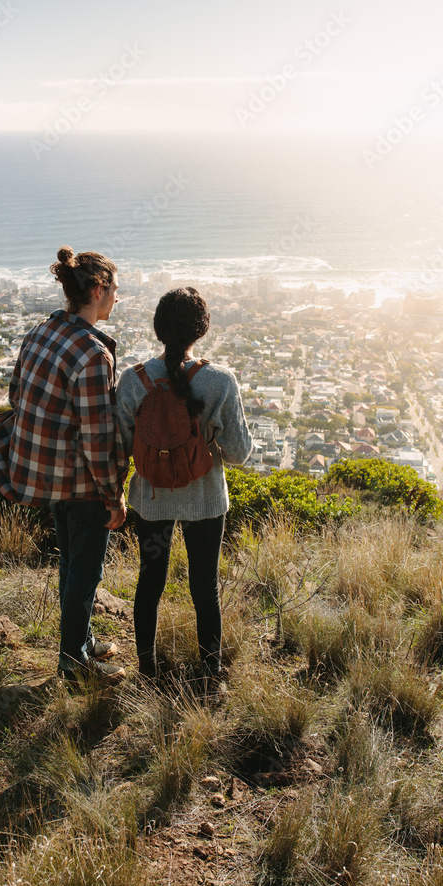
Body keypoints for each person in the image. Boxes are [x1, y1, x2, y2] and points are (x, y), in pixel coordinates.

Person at [0, 246, 128, 684]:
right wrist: (114, 495)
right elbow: (97, 437)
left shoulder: (41, 331)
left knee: (70, 563)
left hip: (39, 472)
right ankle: (75, 665)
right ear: (98, 290)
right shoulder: (92, 354)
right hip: (80, 482)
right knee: (84, 572)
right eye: (115, 289)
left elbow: (16, 396)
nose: (118, 298)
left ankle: (77, 642)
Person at [116, 287, 252, 691]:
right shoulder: (219, 381)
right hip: (206, 500)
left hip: (150, 498)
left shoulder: (133, 380)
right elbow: (240, 453)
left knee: (150, 580)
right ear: (202, 329)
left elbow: (120, 449)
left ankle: (146, 669)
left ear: (159, 328)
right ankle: (210, 673)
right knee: (203, 585)